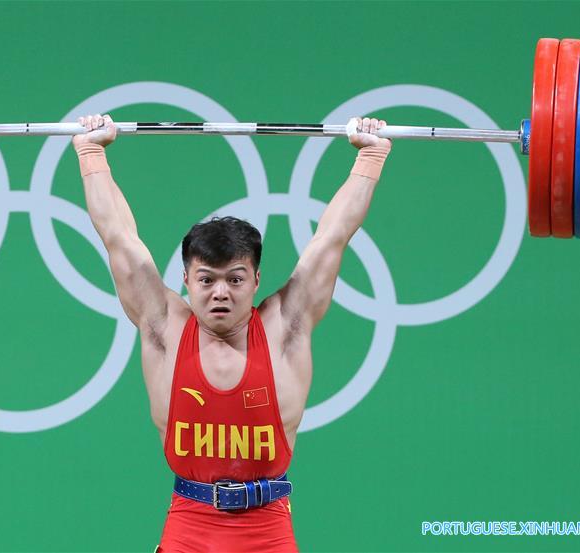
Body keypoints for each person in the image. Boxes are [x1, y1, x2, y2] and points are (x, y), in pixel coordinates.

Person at [72, 113, 391, 552]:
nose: (220, 293)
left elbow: (332, 237)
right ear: (187, 280)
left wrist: (370, 158)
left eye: (235, 279)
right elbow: (118, 237)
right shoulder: (165, 327)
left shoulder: (285, 326)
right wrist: (91, 153)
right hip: (189, 526)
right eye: (207, 280)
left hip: (269, 529)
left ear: (256, 280)